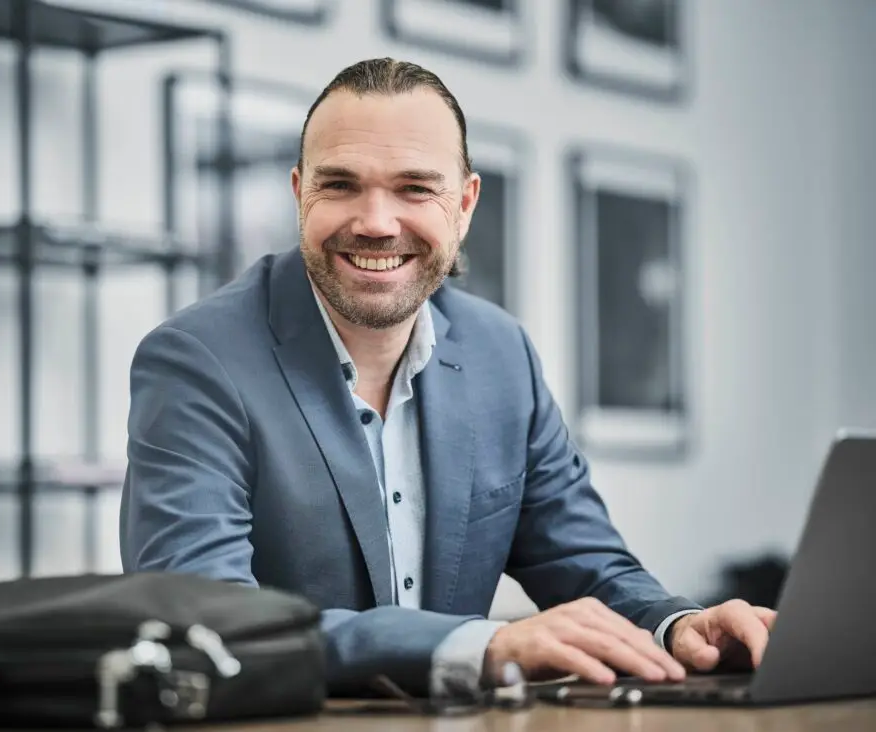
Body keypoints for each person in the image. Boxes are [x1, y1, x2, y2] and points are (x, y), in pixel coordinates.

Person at [120, 58, 776, 699]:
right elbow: (205, 619)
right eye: (340, 184)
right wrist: (478, 647)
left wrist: (677, 626)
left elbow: (585, 563)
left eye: (415, 188)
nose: (376, 223)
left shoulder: (501, 354)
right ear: (299, 194)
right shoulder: (197, 361)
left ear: (464, 205)